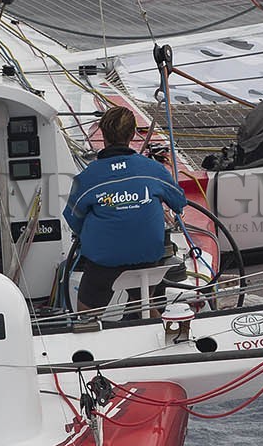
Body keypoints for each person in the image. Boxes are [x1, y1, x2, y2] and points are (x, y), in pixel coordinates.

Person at [62, 106, 188, 314]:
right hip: (148, 255)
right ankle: (150, 318)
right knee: (145, 300)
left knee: (86, 310)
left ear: (103, 135)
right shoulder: (154, 170)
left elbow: (73, 218)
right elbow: (179, 201)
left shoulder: (87, 178)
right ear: (132, 135)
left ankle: (89, 326)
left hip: (104, 259)